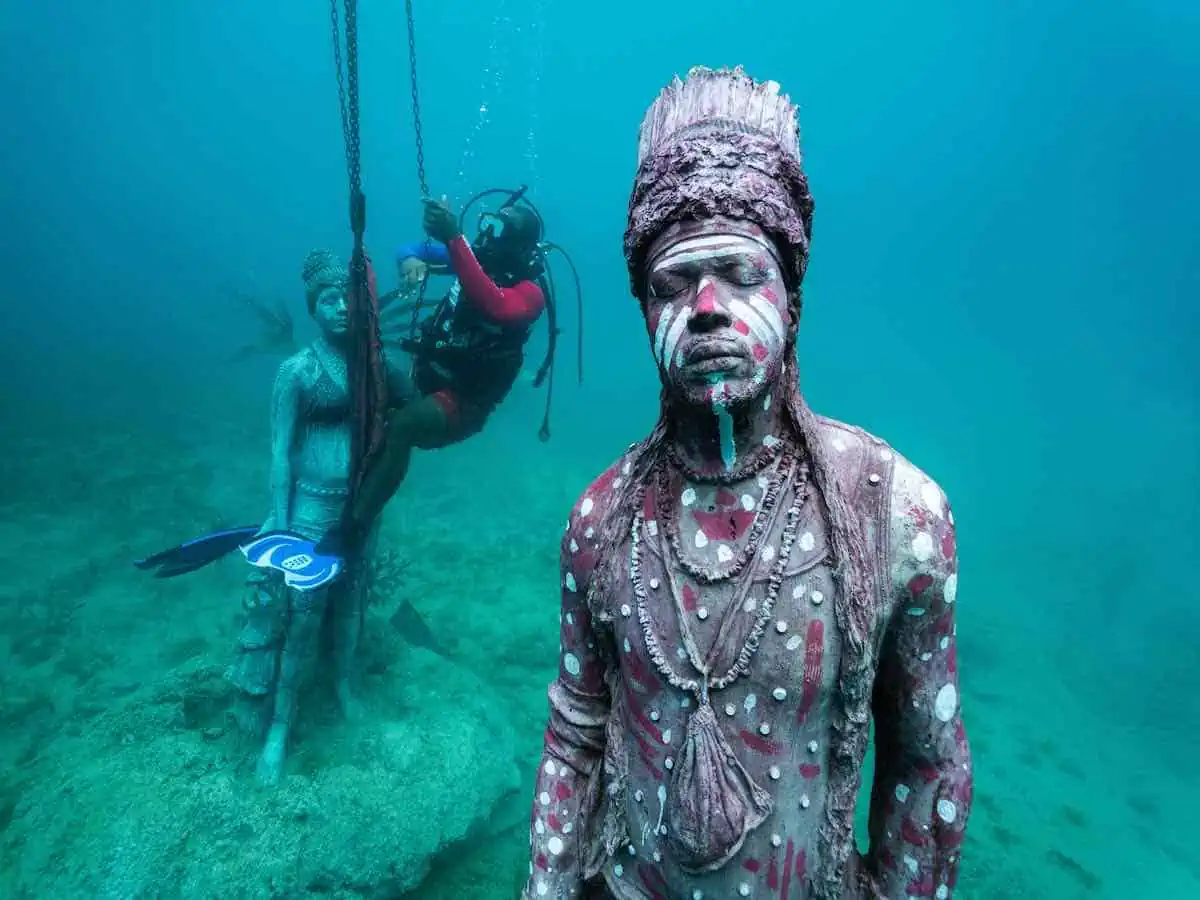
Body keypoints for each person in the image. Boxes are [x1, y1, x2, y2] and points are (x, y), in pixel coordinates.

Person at [521, 67, 972, 900]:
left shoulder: (899, 514)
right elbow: (576, 736)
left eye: (738, 272)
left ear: (789, 296)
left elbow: (926, 759)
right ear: (645, 310)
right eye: (670, 285)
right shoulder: (599, 520)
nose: (705, 307)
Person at [225, 248, 411, 785]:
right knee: (301, 616)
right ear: (313, 307)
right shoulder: (297, 371)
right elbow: (280, 452)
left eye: (348, 298)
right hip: (309, 506)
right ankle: (280, 725)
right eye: (328, 300)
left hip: (360, 506)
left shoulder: (372, 366)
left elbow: (408, 412)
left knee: (351, 601)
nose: (340, 308)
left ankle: (343, 687)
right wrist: (279, 523)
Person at [321, 195, 549, 552]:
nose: (488, 235)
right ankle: (340, 472)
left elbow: (496, 305)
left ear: (519, 244)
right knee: (366, 367)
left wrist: (455, 239)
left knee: (402, 426)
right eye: (488, 224)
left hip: (464, 402)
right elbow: (412, 248)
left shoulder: (530, 293)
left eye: (499, 229)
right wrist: (410, 258)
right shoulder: (474, 259)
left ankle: (352, 529)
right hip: (426, 378)